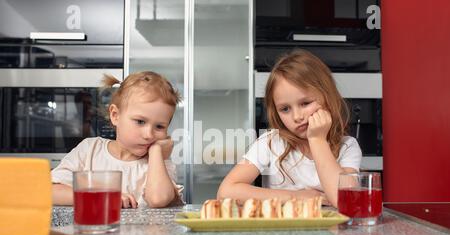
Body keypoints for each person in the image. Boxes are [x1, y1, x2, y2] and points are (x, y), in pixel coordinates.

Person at [217, 50, 362, 207]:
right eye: (285, 109)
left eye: (305, 103)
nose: (297, 117)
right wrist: (296, 197)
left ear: (328, 97)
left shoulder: (347, 146)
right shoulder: (271, 142)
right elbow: (225, 193)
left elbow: (346, 201)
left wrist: (317, 139)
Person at [51, 71, 183, 208]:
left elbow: (158, 199)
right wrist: (101, 197)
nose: (149, 134)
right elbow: (50, 191)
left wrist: (156, 151)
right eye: (140, 121)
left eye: (160, 126)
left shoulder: (159, 163)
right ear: (115, 115)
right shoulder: (90, 150)